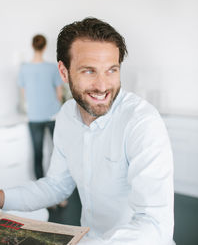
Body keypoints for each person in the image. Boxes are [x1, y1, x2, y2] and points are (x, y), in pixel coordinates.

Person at [0, 18, 174, 245]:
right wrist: (3, 198)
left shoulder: (142, 122)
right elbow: (56, 186)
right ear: (64, 72)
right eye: (89, 71)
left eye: (111, 70)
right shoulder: (65, 117)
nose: (102, 86)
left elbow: (155, 226)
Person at [18, 34, 63, 179]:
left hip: (34, 116)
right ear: (44, 47)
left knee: (38, 153)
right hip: (53, 114)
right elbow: (59, 94)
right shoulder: (52, 67)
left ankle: (41, 195)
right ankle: (59, 192)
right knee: (58, 152)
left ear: (33, 46)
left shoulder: (24, 69)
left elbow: (24, 94)